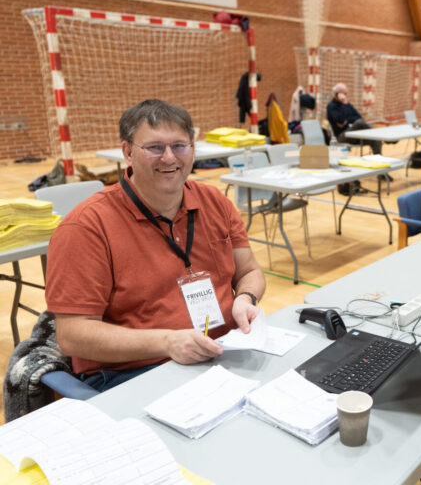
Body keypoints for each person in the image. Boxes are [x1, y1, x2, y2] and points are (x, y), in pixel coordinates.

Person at [45, 99, 267, 392]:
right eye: (154, 148)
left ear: (193, 149)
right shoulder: (86, 227)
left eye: (179, 146)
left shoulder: (215, 202)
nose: (169, 158)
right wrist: (168, 341)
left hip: (222, 352)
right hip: (137, 371)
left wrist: (246, 298)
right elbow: (73, 335)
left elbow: (249, 270)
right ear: (127, 153)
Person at [326, 82, 382, 154]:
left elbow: (358, 117)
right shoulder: (332, 106)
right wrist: (345, 105)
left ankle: (378, 159)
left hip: (354, 134)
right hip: (342, 136)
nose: (346, 96)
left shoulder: (347, 105)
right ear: (337, 94)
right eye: (344, 94)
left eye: (346, 93)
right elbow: (341, 120)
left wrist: (348, 119)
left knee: (375, 139)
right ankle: (381, 135)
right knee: (359, 123)